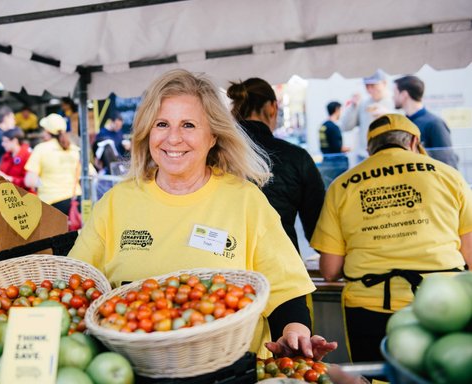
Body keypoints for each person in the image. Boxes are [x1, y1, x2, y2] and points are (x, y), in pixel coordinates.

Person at [69, 69, 337, 360]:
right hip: (134, 371)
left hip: (229, 372)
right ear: (147, 132)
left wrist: (294, 331)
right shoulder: (116, 203)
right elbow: (77, 283)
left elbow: (286, 289)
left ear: (213, 136)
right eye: (162, 124)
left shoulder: (244, 200)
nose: (173, 138)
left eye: (188, 125)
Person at [311, 114, 472, 362]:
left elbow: (330, 270)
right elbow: (470, 256)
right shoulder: (449, 176)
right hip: (443, 302)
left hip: (368, 307)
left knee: (377, 378)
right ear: (414, 141)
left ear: (370, 148)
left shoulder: (342, 185)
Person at [226, 77, 325, 254]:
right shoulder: (297, 157)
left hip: (229, 262)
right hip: (283, 261)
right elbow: (318, 231)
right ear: (272, 107)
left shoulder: (216, 154)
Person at [25, 113, 86, 215]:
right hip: (76, 201)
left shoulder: (41, 149)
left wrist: (42, 183)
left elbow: (29, 181)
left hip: (51, 203)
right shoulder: (75, 150)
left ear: (47, 132)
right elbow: (90, 174)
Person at [393, 75, 458, 168]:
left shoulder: (435, 123)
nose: (392, 97)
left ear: (404, 95)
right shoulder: (402, 124)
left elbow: (448, 162)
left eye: (395, 93)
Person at [340, 70, 395, 161]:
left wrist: (388, 115)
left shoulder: (395, 102)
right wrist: (353, 107)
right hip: (364, 156)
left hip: (387, 156)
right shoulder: (363, 103)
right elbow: (345, 127)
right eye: (366, 86)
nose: (369, 89)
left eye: (373, 85)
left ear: (384, 83)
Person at [319, 101, 350, 187]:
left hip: (326, 161)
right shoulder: (334, 127)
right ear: (336, 110)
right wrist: (351, 149)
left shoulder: (323, 126)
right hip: (336, 163)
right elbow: (337, 147)